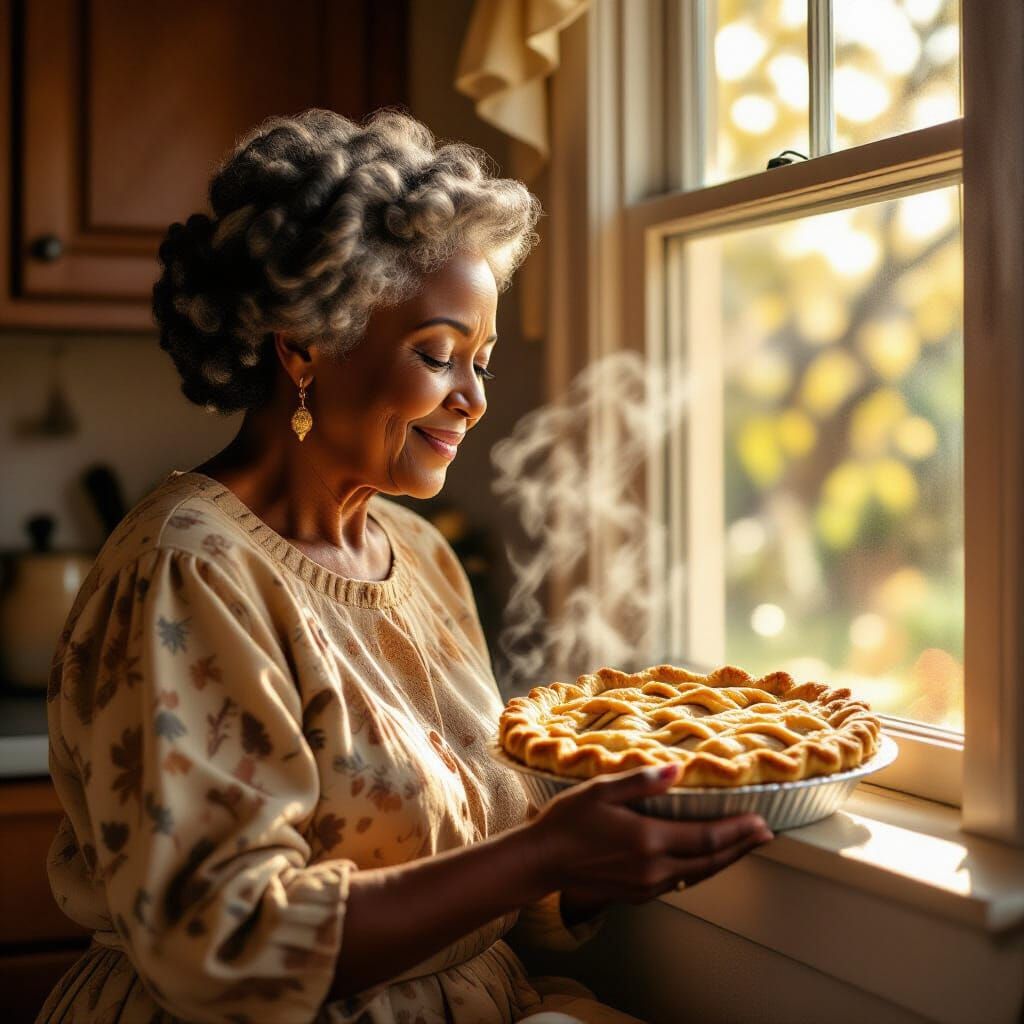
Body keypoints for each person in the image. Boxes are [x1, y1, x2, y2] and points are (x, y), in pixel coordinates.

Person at [36, 108, 774, 1024]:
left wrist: (587, 868)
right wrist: (541, 854)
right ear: (304, 345)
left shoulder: (421, 555)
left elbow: (466, 876)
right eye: (437, 356)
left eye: (483, 362)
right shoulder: (191, 570)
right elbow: (217, 945)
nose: (471, 401)